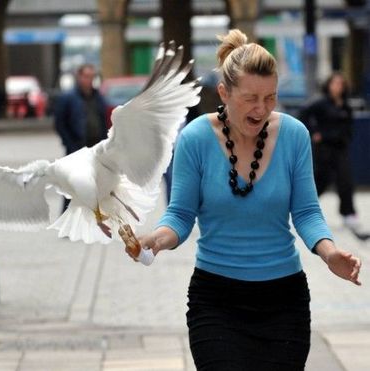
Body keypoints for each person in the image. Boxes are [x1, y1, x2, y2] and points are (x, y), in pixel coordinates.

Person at [128, 29, 362, 370]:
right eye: (251, 98)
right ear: (224, 92)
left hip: (284, 301)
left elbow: (308, 212)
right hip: (216, 301)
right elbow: (180, 215)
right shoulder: (195, 139)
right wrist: (155, 240)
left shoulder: (294, 135)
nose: (262, 108)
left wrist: (329, 254)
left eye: (270, 98)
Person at [299, 72, 361, 231]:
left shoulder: (345, 104)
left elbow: (348, 125)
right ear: (328, 85)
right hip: (324, 149)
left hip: (340, 148)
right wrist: (314, 133)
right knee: (320, 180)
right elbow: (303, 113)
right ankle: (302, 209)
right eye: (335, 83)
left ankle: (349, 214)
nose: (338, 86)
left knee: (345, 181)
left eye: (341, 83)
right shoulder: (320, 102)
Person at [54, 64, 108, 211]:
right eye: (86, 76)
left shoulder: (98, 97)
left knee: (96, 183)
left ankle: (95, 217)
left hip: (96, 147)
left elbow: (104, 120)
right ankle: (67, 218)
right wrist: (69, 143)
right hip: (76, 147)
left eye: (92, 77)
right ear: (79, 77)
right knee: (71, 185)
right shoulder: (68, 98)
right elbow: (60, 123)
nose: (89, 80)